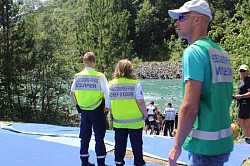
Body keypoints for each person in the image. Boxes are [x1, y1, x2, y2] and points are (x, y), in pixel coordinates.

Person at [167, 0, 234, 165]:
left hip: (205, 146)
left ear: (197, 19)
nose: (176, 22)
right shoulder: (221, 53)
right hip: (222, 142)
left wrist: (176, 146)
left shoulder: (194, 52)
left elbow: (190, 107)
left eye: (181, 17)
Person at [70, 51, 110, 166]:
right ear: (94, 62)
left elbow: (71, 94)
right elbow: (107, 93)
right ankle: (101, 163)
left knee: (84, 137)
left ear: (83, 62)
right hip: (97, 110)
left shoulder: (78, 76)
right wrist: (108, 108)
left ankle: (84, 162)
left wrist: (77, 106)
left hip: (84, 111)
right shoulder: (99, 76)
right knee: (99, 138)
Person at [109, 59, 148, 166]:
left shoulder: (111, 84)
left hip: (119, 121)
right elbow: (141, 102)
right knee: (137, 145)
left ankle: (118, 162)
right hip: (135, 122)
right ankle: (138, 162)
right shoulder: (135, 84)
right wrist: (145, 114)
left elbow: (108, 104)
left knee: (120, 144)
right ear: (130, 70)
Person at [233, 64, 250, 144]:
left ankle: (248, 138)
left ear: (247, 71)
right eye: (241, 71)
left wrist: (241, 96)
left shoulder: (248, 81)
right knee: (246, 120)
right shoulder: (243, 81)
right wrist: (237, 97)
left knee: (240, 120)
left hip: (246, 103)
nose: (242, 72)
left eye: (244, 71)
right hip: (243, 103)